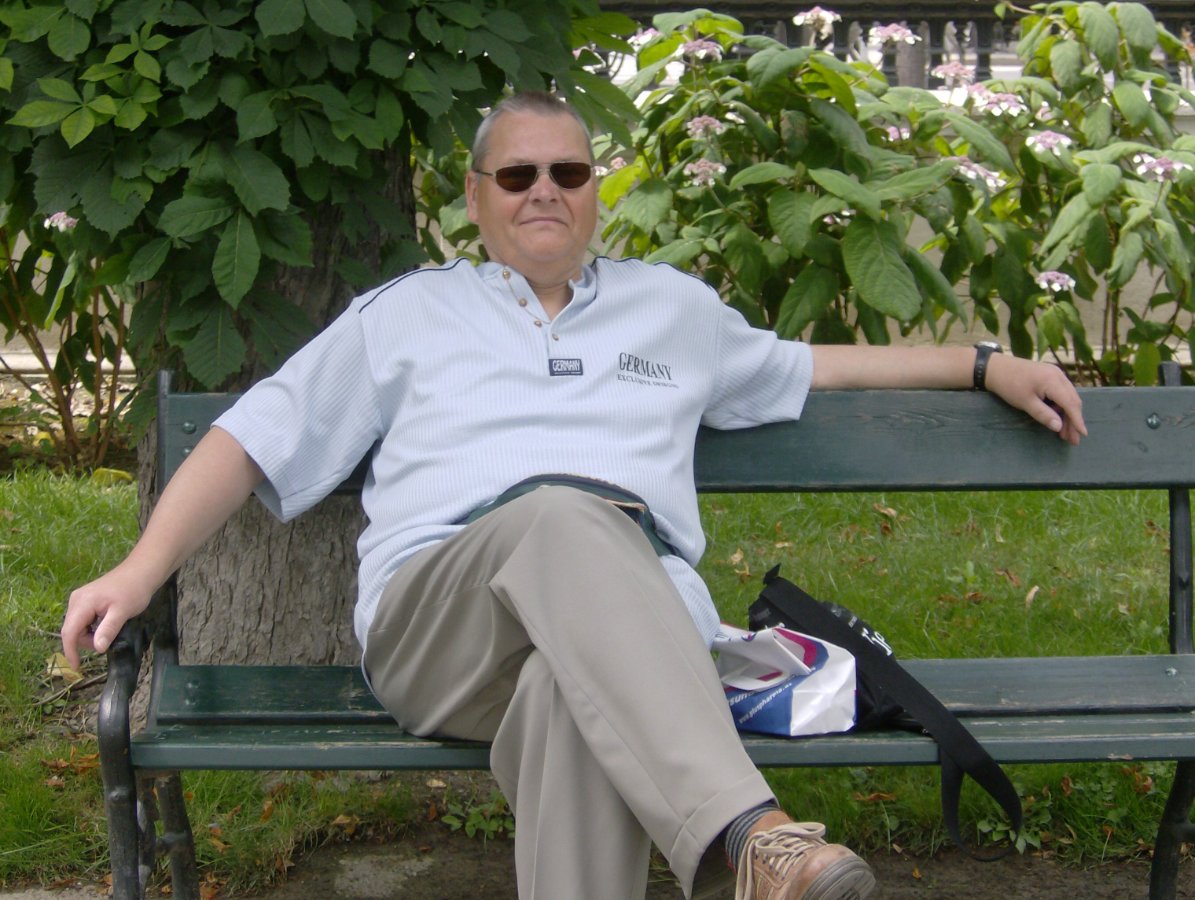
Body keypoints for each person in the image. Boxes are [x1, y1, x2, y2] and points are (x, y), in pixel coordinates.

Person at [62, 91, 1086, 900]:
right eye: (517, 174)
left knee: (573, 700)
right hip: (443, 626)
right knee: (560, 513)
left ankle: (741, 841)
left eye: (568, 172)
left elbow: (811, 367)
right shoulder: (406, 314)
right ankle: (753, 835)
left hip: (627, 639)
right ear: (476, 199)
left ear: (597, 190)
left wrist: (980, 363)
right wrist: (138, 571)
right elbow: (252, 438)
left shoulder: (671, 310)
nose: (542, 191)